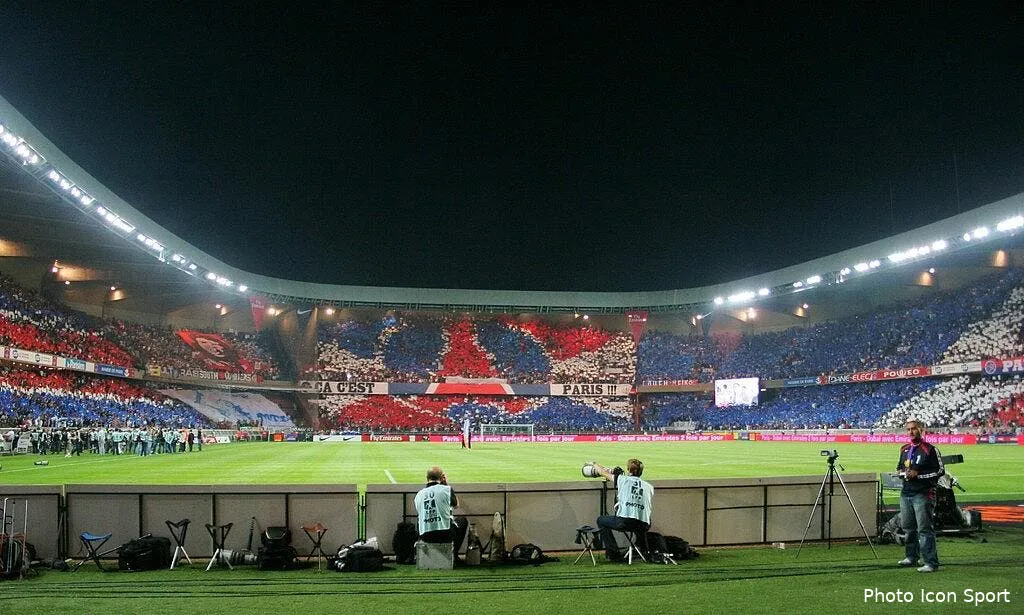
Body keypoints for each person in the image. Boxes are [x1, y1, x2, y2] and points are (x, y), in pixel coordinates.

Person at [896, 418, 944, 573]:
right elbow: (899, 467)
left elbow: (939, 471)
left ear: (922, 430)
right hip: (906, 492)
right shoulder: (904, 449)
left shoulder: (930, 449)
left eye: (914, 429)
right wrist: (901, 473)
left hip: (923, 493)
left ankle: (930, 562)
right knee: (908, 528)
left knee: (924, 529)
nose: (911, 432)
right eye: (908, 429)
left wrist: (918, 475)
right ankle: (911, 557)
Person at [593, 458, 653, 560]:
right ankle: (645, 551)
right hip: (644, 524)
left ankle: (613, 553)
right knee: (639, 521)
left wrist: (594, 464)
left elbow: (602, 472)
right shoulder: (649, 487)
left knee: (601, 520)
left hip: (625, 522)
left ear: (628, 469)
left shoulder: (622, 479)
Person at [414, 466, 469, 555]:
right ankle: (453, 554)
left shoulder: (418, 495)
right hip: (445, 534)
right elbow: (456, 505)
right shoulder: (446, 489)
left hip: (425, 536)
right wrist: (446, 484)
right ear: (441, 477)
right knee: (462, 520)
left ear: (427, 478)